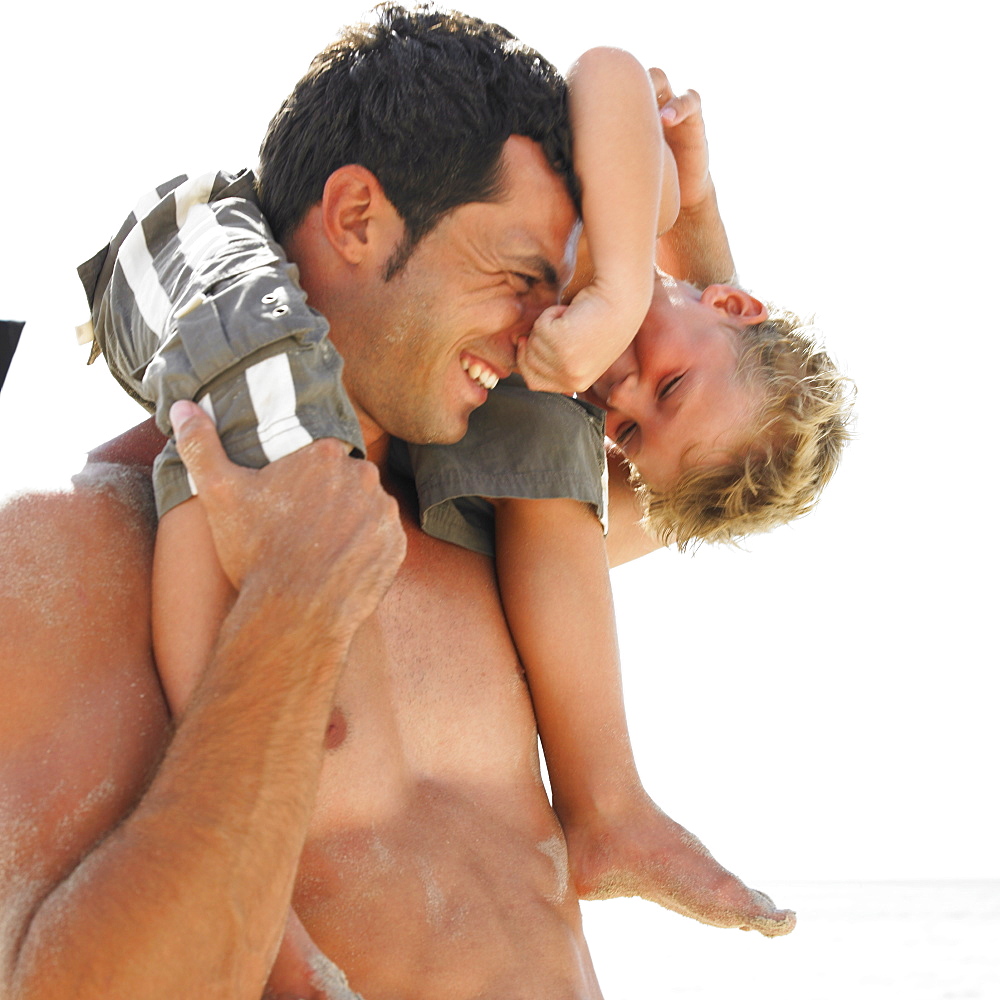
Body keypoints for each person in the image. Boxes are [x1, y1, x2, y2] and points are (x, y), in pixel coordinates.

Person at [0, 8, 804, 999]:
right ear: (354, 219)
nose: (545, 337)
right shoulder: (68, 558)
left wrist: (683, 261)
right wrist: (287, 620)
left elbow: (737, 462)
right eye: (517, 278)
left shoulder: (505, 531)